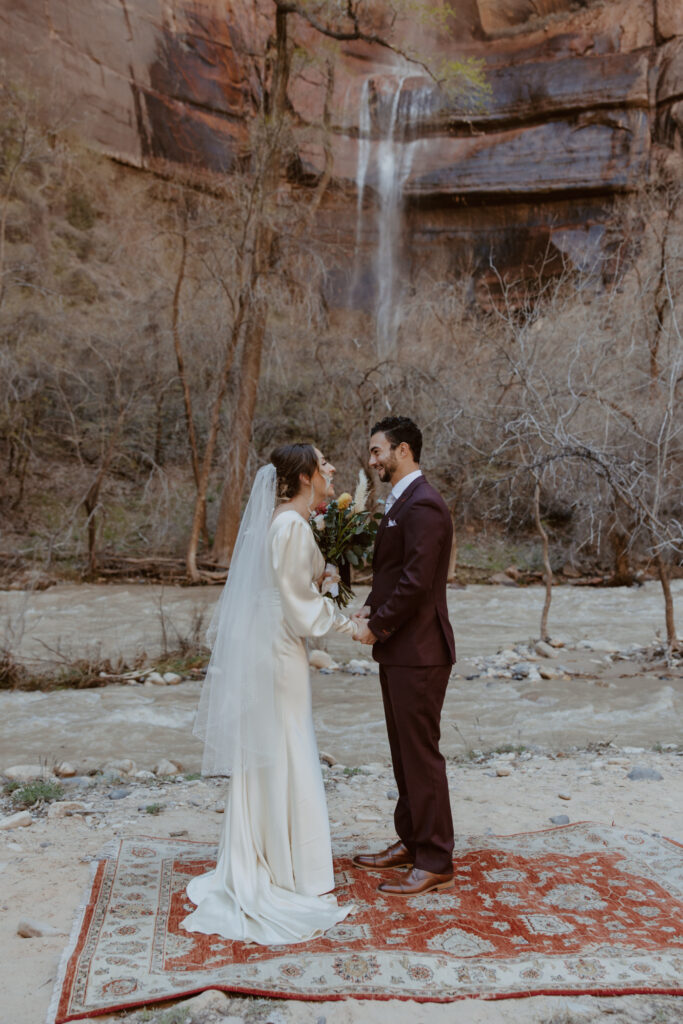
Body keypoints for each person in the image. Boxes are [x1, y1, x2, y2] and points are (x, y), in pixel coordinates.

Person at [182, 443, 359, 944]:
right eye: (325, 465)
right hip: (282, 651)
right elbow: (299, 607)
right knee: (289, 744)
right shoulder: (292, 526)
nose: (332, 470)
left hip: (274, 645)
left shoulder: (288, 523)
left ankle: (281, 856)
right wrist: (347, 622)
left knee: (281, 746)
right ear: (305, 476)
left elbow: (291, 587)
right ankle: (290, 871)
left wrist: (323, 577)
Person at [351, 416, 456, 896]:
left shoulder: (425, 505)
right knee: (403, 754)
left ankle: (435, 858)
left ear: (404, 451)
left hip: (421, 650)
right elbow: (392, 574)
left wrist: (377, 625)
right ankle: (412, 841)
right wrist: (370, 607)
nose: (372, 461)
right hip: (401, 650)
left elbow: (416, 582)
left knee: (421, 755)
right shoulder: (401, 503)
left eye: (378, 452)